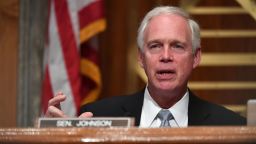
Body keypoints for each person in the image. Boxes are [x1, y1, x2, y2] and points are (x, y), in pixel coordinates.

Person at [45, 6, 246, 127]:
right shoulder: (96, 117)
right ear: (141, 58)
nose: (166, 56)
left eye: (177, 46)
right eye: (155, 46)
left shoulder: (231, 126)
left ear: (196, 57)